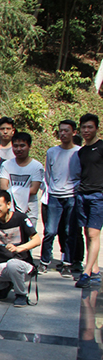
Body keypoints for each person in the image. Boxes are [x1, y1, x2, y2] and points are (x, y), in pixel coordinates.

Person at [40, 120, 81, 274]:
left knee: (70, 230)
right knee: (50, 231)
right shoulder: (52, 152)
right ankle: (44, 261)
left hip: (72, 195)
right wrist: (53, 188)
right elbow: (48, 174)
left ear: (74, 133)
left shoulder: (79, 152)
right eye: (61, 131)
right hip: (55, 196)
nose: (63, 134)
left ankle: (68, 262)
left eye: (66, 131)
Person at [76, 113, 103, 288]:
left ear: (97, 129)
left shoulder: (101, 147)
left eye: (90, 127)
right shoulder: (82, 151)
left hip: (98, 196)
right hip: (82, 194)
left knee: (94, 234)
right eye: (84, 127)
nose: (86, 130)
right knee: (87, 233)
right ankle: (94, 269)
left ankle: (86, 273)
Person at [0, 132, 43, 224]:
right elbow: (3, 187)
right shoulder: (6, 165)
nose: (19, 149)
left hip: (30, 210)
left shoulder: (36, 166)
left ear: (29, 146)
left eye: (22, 146)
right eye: (16, 146)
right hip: (10, 210)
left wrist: (13, 191)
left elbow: (34, 190)